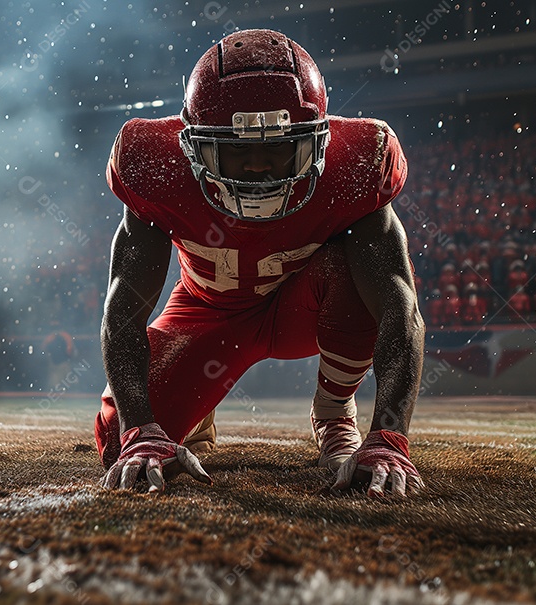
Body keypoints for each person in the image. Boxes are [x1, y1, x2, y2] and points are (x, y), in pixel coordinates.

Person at [96, 29, 424, 497]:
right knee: (117, 442)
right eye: (235, 149)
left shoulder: (358, 163)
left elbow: (400, 306)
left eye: (277, 148)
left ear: (319, 142)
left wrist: (391, 439)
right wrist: (138, 431)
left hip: (306, 306)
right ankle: (197, 409)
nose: (256, 167)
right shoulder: (154, 164)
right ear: (192, 146)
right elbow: (123, 307)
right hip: (207, 310)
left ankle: (333, 411)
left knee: (355, 266)